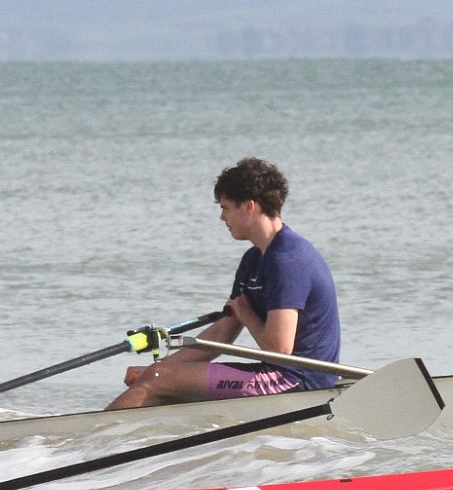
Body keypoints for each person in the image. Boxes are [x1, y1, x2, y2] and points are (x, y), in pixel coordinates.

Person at [109, 156, 341, 409]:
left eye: (226, 207)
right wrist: (159, 368)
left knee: (156, 379)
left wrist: (247, 315)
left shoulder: (288, 261)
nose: (222, 217)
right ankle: (128, 440)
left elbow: (279, 348)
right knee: (154, 376)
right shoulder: (253, 260)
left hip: (298, 380)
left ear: (249, 207)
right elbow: (222, 332)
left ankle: (92, 440)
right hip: (274, 373)